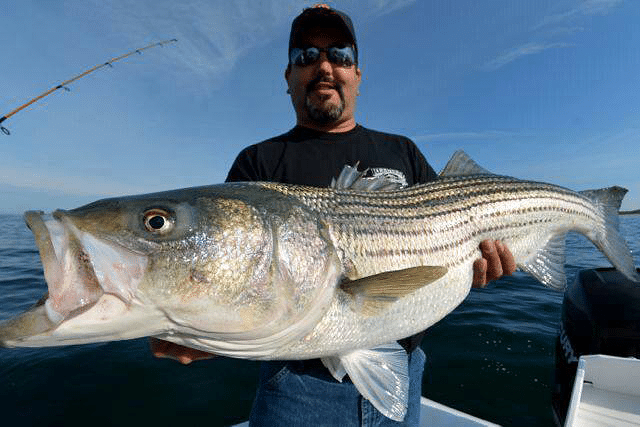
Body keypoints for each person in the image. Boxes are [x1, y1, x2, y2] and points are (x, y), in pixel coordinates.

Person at [151, 4, 516, 426]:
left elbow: (455, 238)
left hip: (403, 369)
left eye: (339, 54)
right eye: (306, 56)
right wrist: (196, 327)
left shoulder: (402, 150)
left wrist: (485, 265)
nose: (324, 66)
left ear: (357, 75)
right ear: (288, 77)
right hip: (296, 387)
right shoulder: (257, 164)